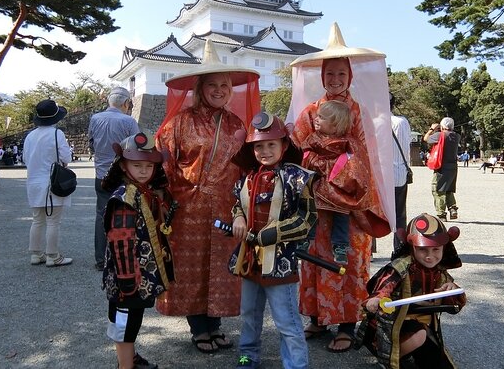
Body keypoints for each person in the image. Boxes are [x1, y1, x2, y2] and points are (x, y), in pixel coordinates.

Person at [287, 23, 393, 353]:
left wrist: (343, 178)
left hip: (349, 195)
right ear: (322, 76)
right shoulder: (310, 111)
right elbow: (295, 149)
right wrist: (313, 164)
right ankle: (318, 318)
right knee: (316, 257)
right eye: (329, 74)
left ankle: (347, 322)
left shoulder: (357, 110)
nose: (335, 80)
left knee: (347, 257)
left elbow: (363, 151)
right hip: (316, 197)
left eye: (340, 75)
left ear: (349, 76)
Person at [155, 40, 260, 353]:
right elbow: (164, 162)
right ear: (199, 88)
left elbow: (246, 168)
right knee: (194, 267)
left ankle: (215, 325)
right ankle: (199, 328)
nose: (219, 90)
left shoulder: (237, 124)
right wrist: (170, 197)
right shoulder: (180, 122)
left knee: (222, 266)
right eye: (212, 84)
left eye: (224, 85)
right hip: (189, 208)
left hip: (227, 206)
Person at [228, 112, 316, 369]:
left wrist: (274, 233)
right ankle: (247, 357)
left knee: (286, 320)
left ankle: (296, 365)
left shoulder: (297, 177)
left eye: (271, 144)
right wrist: (239, 218)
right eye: (259, 146)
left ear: (284, 145)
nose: (265, 150)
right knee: (248, 316)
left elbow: (307, 218)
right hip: (249, 261)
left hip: (281, 264)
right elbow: (238, 205)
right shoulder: (247, 178)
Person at [101, 132, 174, 369]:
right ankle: (125, 366)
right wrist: (127, 280)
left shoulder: (144, 193)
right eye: (137, 165)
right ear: (123, 165)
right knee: (124, 323)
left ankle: (130, 358)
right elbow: (120, 241)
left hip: (139, 278)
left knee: (132, 320)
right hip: (129, 278)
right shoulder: (124, 199)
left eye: (149, 166)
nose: (144, 171)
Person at [356, 213, 467, 369]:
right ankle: (390, 359)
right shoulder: (400, 267)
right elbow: (383, 288)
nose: (430, 256)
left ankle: (412, 353)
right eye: (423, 249)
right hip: (392, 329)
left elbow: (455, 306)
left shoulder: (440, 273)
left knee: (442, 364)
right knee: (419, 334)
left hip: (424, 329)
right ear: (412, 247)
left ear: (444, 247)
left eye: (436, 249)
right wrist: (376, 299)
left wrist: (453, 291)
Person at [300, 99, 372, 265]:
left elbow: (357, 162)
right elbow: (304, 153)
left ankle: (340, 245)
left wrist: (338, 168)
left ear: (335, 126)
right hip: (317, 184)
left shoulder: (348, 142)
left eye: (322, 118)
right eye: (317, 116)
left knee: (341, 214)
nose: (316, 119)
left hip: (339, 185)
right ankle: (306, 238)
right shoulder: (313, 138)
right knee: (309, 208)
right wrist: (314, 161)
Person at [88, 87, 140, 271]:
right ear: (126, 103)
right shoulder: (129, 121)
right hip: (122, 176)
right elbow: (137, 150)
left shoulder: (95, 119)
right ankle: (122, 257)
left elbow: (91, 143)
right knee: (125, 214)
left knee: (101, 214)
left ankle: (100, 259)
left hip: (101, 174)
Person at [23, 99, 73, 267]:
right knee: (53, 221)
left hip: (33, 181)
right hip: (52, 181)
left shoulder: (30, 136)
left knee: (37, 220)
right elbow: (66, 157)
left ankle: (36, 254)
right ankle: (53, 255)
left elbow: (25, 159)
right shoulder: (56, 133)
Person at [423, 118, 460, 221]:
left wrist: (432, 129)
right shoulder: (457, 136)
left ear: (442, 126)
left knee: (438, 190)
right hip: (453, 167)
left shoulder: (440, 135)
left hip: (441, 166)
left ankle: (441, 214)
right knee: (448, 188)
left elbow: (426, 139)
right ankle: (453, 209)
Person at [390, 93, 412, 252]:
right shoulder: (401, 122)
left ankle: (369, 249)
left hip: (378, 177)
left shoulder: (370, 122)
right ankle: (399, 249)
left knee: (370, 214)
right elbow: (406, 148)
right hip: (398, 173)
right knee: (399, 215)